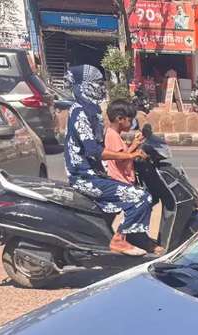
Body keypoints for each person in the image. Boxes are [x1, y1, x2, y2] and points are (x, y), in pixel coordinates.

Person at [63, 65, 159, 257]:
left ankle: (134, 237)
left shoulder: (91, 111)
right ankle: (119, 240)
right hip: (84, 177)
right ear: (84, 86)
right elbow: (94, 150)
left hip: (95, 174)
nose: (101, 87)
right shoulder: (80, 112)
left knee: (137, 195)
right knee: (141, 197)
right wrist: (130, 155)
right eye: (97, 84)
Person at [104, 99, 141, 185]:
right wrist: (135, 152)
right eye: (130, 121)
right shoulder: (113, 136)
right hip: (120, 181)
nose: (132, 124)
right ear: (120, 119)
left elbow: (122, 154)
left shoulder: (114, 134)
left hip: (123, 180)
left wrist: (133, 145)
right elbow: (121, 159)